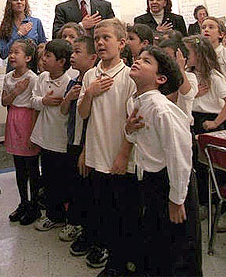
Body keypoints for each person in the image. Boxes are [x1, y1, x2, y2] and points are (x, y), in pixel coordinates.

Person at [126, 47, 202, 277]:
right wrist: (129, 130)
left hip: (173, 183)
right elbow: (138, 138)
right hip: (151, 181)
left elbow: (180, 157)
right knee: (158, 244)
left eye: (146, 61)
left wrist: (177, 199)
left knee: (181, 249)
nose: (138, 61)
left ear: (160, 79)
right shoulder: (136, 102)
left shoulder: (163, 109)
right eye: (138, 58)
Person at [77, 18, 138, 275]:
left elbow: (132, 124)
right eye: (97, 39)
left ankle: (121, 264)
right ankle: (111, 256)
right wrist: (89, 92)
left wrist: (123, 155)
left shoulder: (129, 77)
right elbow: (83, 115)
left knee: (123, 213)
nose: (100, 43)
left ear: (121, 43)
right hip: (96, 155)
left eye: (106, 38)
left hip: (119, 157)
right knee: (103, 210)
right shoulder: (91, 74)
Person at [30, 39, 73, 231]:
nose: (43, 59)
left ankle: (67, 217)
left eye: (48, 56)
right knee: (48, 179)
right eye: (43, 55)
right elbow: (33, 101)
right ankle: (52, 215)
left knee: (64, 180)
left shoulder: (70, 81)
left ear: (62, 61)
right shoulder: (42, 77)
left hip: (62, 140)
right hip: (45, 138)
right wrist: (44, 101)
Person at [60, 36, 97, 252]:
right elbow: (64, 111)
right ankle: (75, 223)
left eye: (77, 52)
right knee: (74, 184)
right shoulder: (73, 82)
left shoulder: (94, 83)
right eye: (72, 52)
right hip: (72, 142)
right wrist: (69, 98)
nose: (72, 56)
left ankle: (88, 229)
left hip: (86, 144)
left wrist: (86, 149)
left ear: (92, 58)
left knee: (87, 188)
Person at [184, 35, 226, 216]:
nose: (185, 56)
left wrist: (216, 122)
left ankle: (219, 206)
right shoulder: (190, 75)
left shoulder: (214, 77)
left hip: (211, 122)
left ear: (200, 55)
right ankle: (204, 202)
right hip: (195, 120)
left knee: (214, 169)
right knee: (198, 167)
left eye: (188, 53)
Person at [1, 39, 40, 225]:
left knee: (32, 167)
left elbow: (35, 107)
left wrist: (34, 133)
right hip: (14, 120)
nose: (12, 55)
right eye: (11, 52)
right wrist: (16, 91)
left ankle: (35, 205)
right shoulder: (9, 77)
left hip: (28, 120)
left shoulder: (33, 79)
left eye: (17, 52)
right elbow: (4, 101)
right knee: (19, 167)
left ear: (28, 57)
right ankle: (23, 202)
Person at [0, 0, 46, 73]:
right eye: (15, 0)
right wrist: (18, 34)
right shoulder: (5, 25)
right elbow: (3, 53)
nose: (19, 2)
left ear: (25, 3)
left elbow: (43, 50)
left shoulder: (36, 22)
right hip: (12, 73)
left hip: (32, 72)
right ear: (10, 4)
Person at [158, 38, 198, 124]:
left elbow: (187, 94)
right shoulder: (156, 77)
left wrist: (180, 67)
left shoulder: (190, 77)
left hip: (181, 124)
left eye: (168, 56)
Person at [201, 16, 226, 80]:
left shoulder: (225, 54)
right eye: (203, 28)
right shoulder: (198, 55)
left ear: (221, 34)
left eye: (211, 27)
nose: (206, 30)